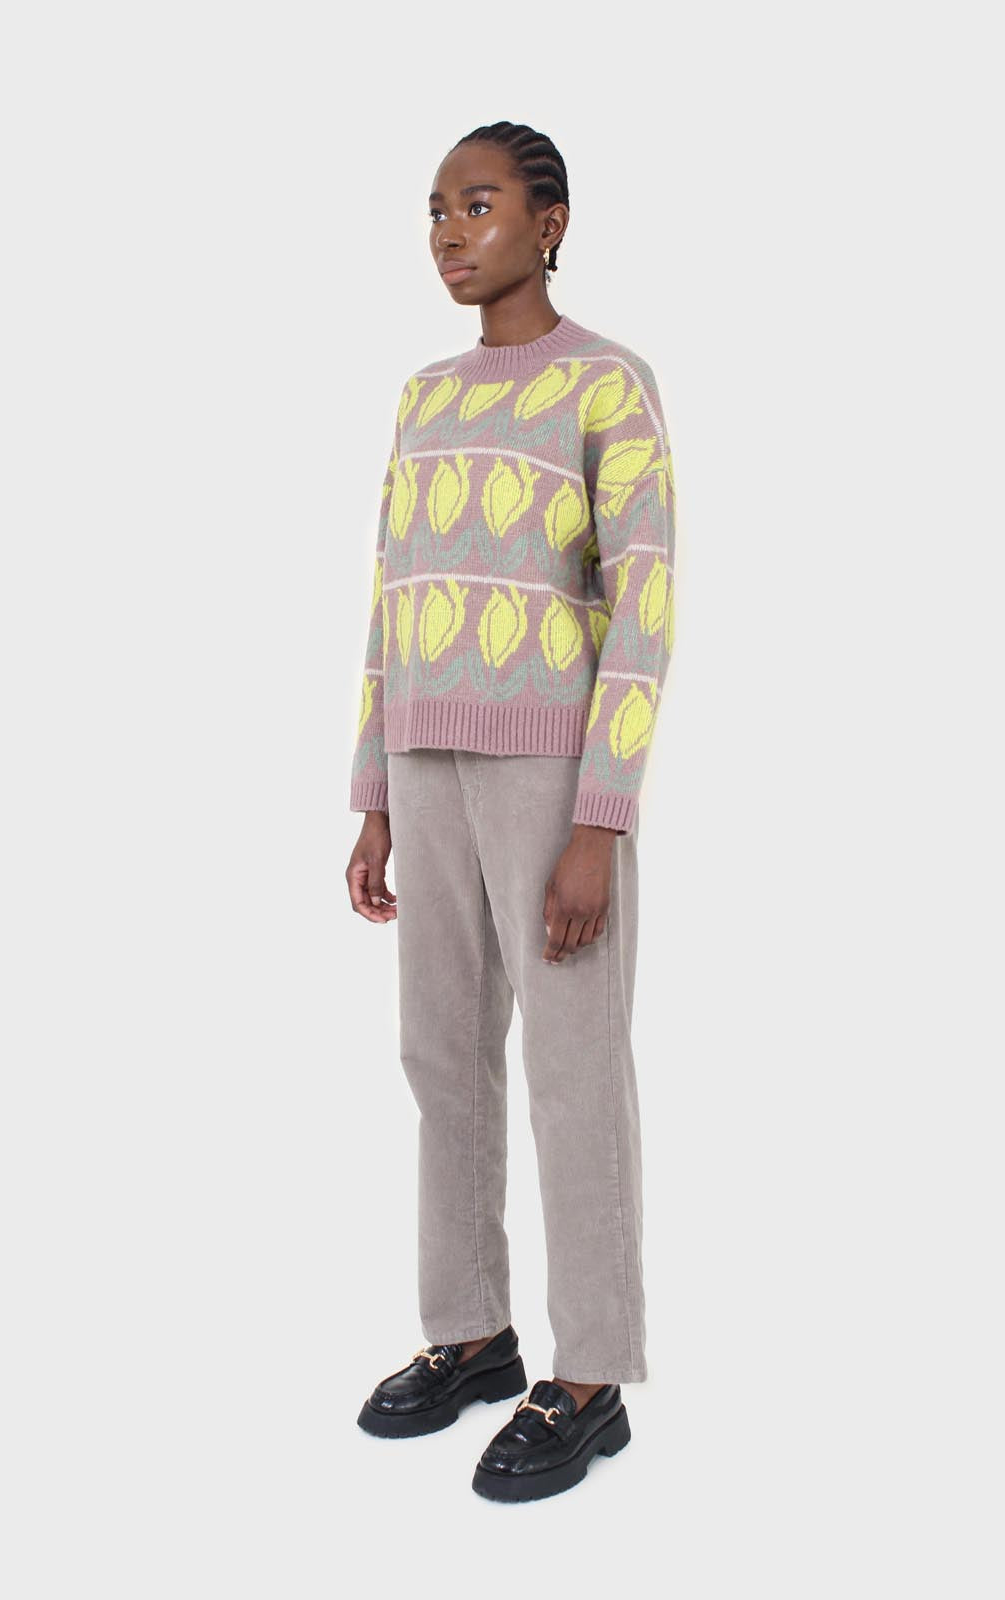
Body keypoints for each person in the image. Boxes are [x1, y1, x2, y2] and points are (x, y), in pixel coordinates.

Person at [346, 120, 677, 1502]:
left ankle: (590, 1375)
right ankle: (471, 1332)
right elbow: (390, 599)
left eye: (476, 205)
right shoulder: (424, 395)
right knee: (440, 1057)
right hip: (423, 762)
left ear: (549, 221)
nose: (449, 232)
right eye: (435, 210)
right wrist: (370, 792)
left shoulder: (607, 383)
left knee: (572, 1069)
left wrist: (601, 818)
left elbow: (644, 607)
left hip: (550, 776)